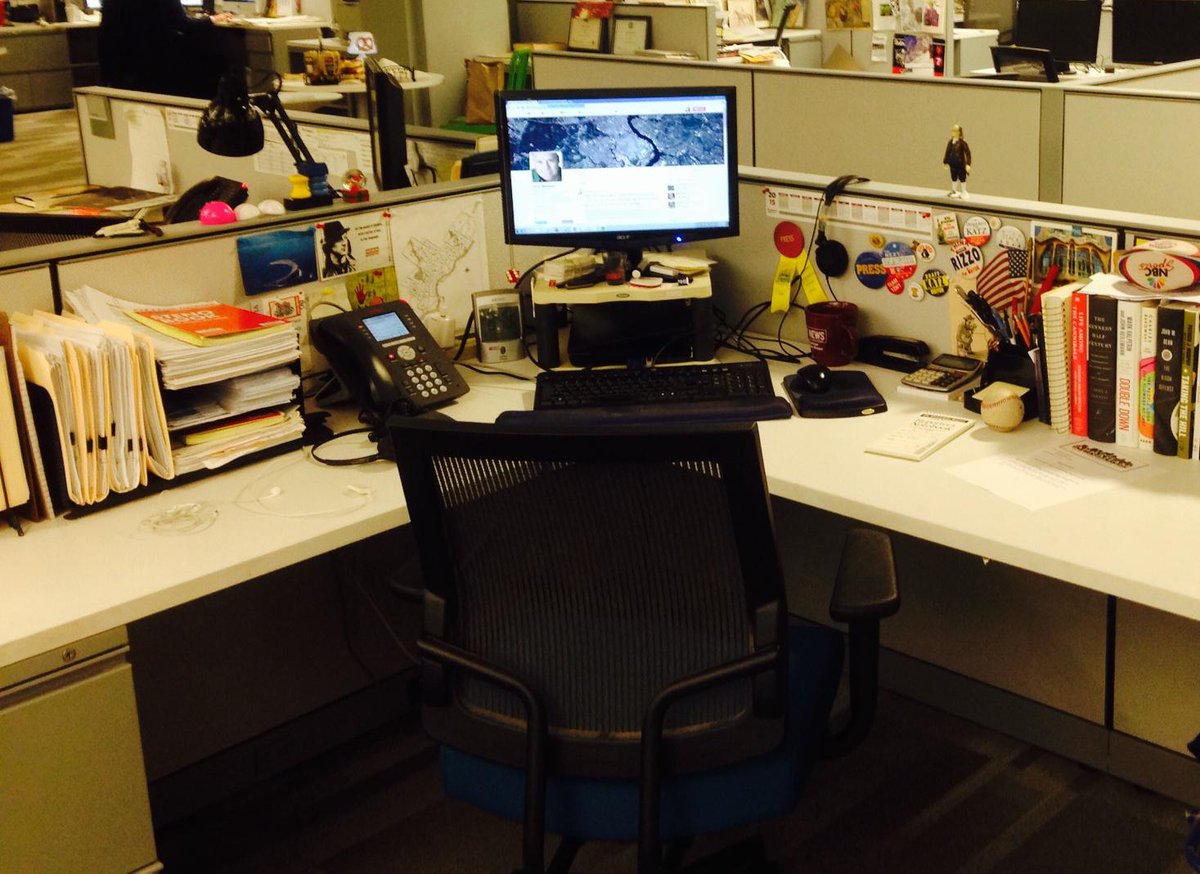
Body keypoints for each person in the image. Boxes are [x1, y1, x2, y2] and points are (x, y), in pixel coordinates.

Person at [99, 0, 237, 99]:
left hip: (122, 64)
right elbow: (183, 24)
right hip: (155, 62)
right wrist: (211, 19)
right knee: (217, 58)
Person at [943, 124, 971, 199]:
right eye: (952, 130)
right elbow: (947, 152)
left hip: (960, 164)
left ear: (959, 132)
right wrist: (945, 162)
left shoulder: (962, 142)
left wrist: (968, 164)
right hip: (952, 164)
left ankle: (964, 191)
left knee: (962, 177)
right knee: (953, 177)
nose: (953, 132)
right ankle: (954, 190)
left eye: (955, 131)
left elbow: (968, 153)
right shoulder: (950, 142)